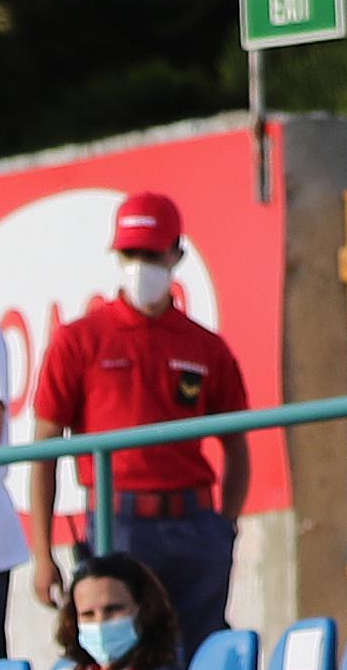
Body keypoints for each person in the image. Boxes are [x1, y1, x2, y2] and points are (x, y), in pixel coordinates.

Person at [28, 191, 255, 641]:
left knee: (202, 653)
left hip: (194, 521)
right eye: (130, 254)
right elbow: (44, 452)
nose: (140, 265)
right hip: (119, 522)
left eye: (151, 254)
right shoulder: (79, 341)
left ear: (177, 256)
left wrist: (223, 527)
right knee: (126, 654)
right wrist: (41, 551)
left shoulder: (205, 346)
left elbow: (237, 446)